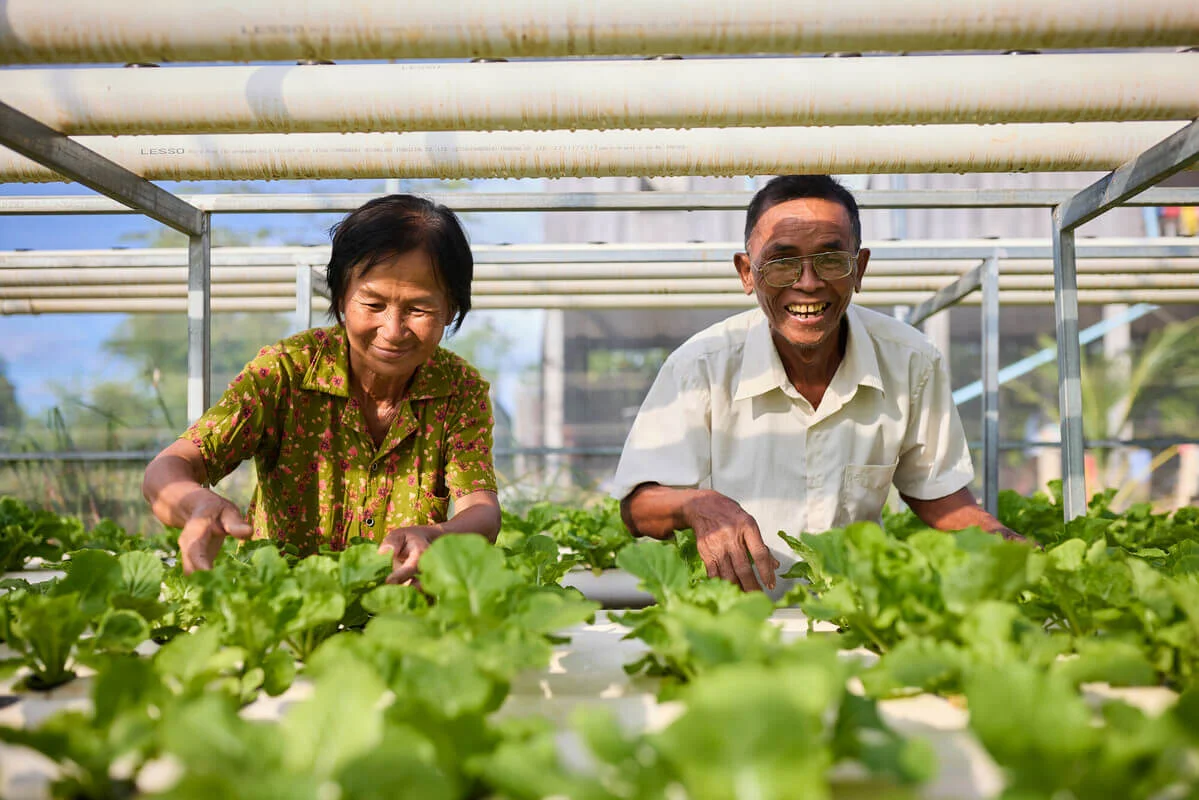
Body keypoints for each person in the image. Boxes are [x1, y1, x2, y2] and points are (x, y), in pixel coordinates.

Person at [610, 175, 1024, 595]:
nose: (807, 282)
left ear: (859, 268)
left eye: (830, 259)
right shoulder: (699, 367)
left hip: (855, 618)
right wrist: (699, 505)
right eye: (781, 262)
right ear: (746, 273)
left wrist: (1010, 547)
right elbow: (637, 506)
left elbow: (939, 494)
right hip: (734, 621)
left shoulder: (910, 361)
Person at [143, 195, 501, 583]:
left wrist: (437, 535)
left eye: (419, 309)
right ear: (342, 297)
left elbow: (481, 509)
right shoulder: (286, 370)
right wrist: (196, 503)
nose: (393, 331)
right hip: (284, 610)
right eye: (374, 304)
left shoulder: (459, 389)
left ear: (450, 309)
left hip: (400, 612)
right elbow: (169, 467)